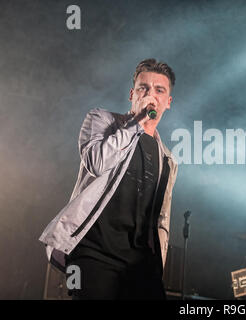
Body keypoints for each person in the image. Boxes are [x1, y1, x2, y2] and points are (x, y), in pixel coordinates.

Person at [39, 58, 178, 299]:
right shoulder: (101, 120)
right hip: (94, 252)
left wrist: (158, 264)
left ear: (168, 102)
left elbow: (162, 217)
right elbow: (97, 162)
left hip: (140, 262)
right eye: (143, 88)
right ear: (132, 94)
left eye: (159, 90)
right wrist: (137, 123)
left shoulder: (167, 158)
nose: (150, 95)